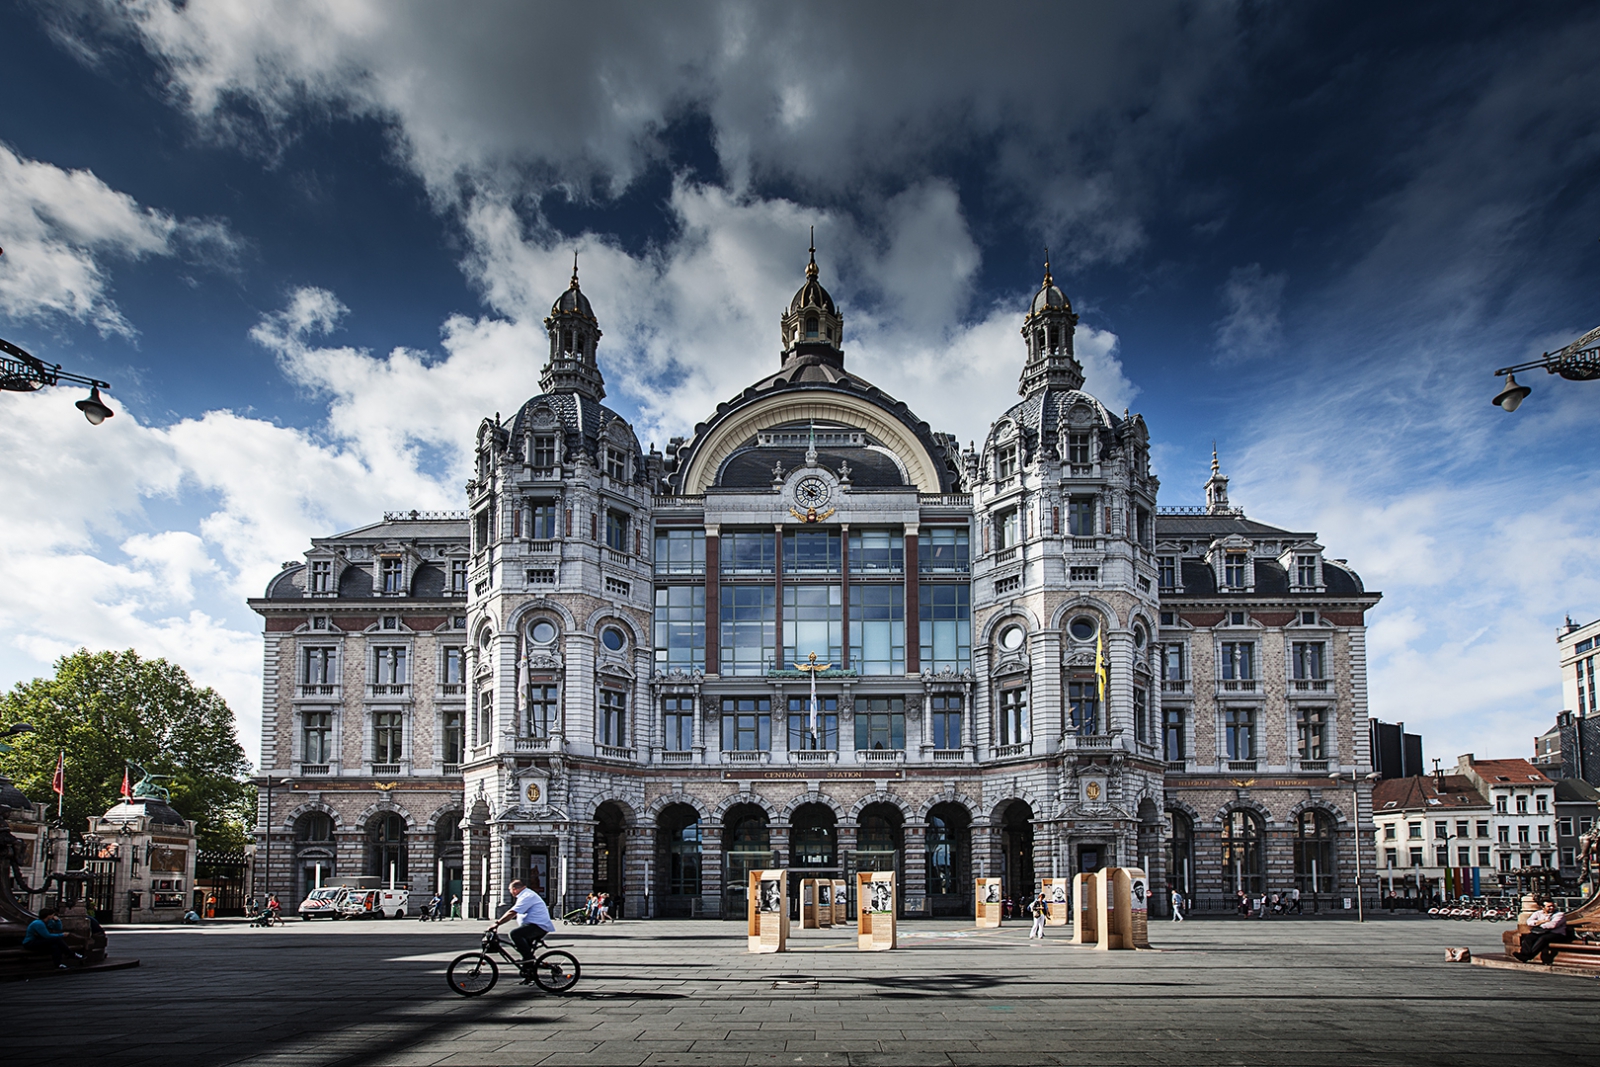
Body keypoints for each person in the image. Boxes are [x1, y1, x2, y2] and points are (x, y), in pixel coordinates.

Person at [490, 879, 555, 983]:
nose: (510, 892)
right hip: (533, 925)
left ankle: (529, 960)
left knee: (515, 934)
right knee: (523, 945)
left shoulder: (527, 896)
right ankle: (529, 971)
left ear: (515, 890)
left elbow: (512, 912)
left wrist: (497, 923)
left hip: (538, 926)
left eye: (510, 890)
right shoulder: (525, 895)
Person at [1516, 900, 1574, 964]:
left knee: (1543, 939)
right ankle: (1524, 954)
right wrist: (1543, 921)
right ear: (1542, 907)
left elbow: (1553, 925)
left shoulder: (1559, 915)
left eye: (1552, 906)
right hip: (1542, 932)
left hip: (1556, 934)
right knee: (1529, 938)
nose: (1551, 908)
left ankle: (1529, 956)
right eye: (1549, 906)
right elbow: (1529, 922)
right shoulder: (1538, 913)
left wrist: (1538, 924)